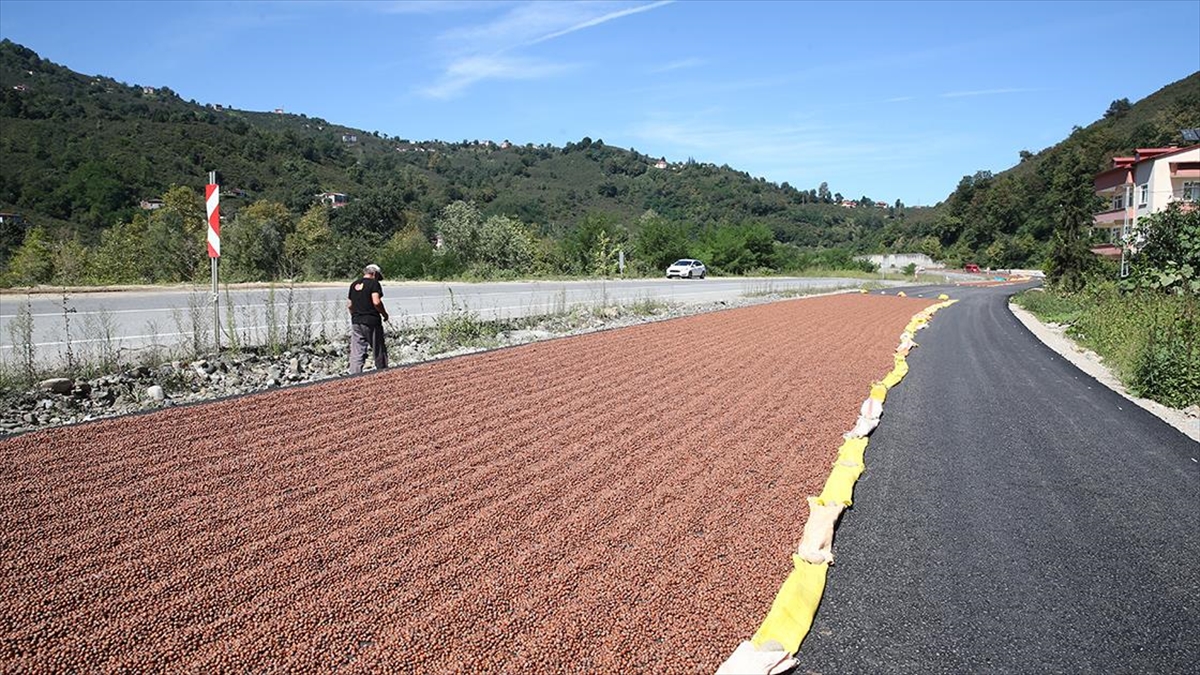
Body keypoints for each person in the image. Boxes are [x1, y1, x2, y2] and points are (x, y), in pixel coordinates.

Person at [347, 263, 389, 374]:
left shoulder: (354, 284)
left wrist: (354, 316)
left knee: (357, 351)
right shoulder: (374, 284)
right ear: (374, 274)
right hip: (371, 321)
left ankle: (354, 375)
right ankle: (383, 372)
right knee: (378, 348)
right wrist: (384, 314)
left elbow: (349, 305)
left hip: (356, 321)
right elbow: (376, 301)